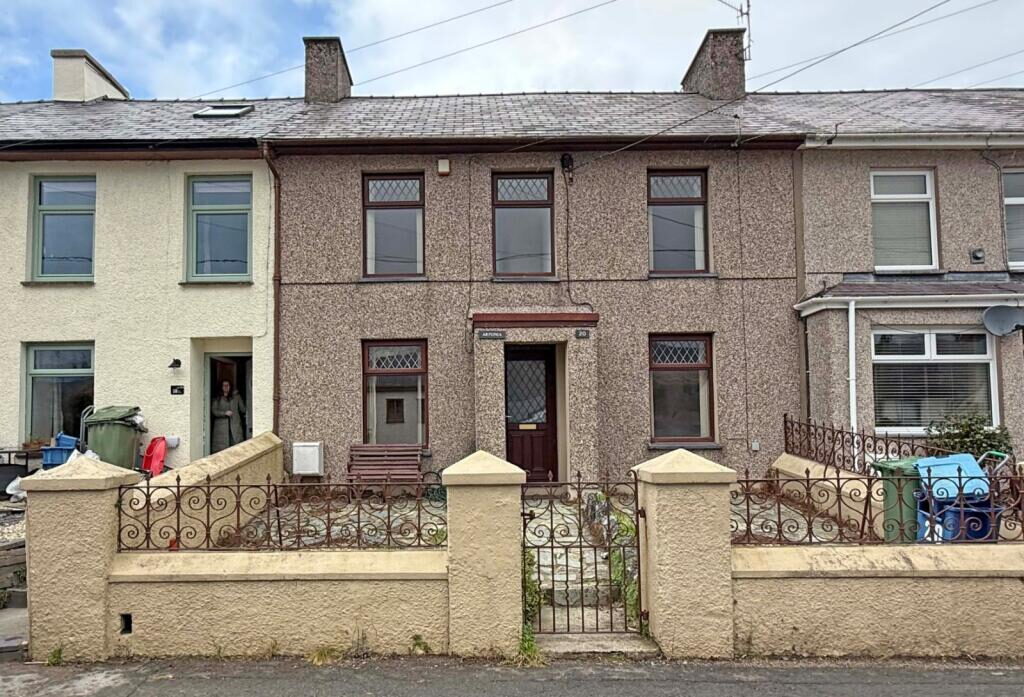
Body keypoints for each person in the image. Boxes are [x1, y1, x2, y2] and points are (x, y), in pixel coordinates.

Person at [211, 380, 247, 453]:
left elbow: (243, 409)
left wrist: (238, 397)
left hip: (234, 425)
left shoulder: (236, 397)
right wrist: (224, 413)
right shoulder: (217, 398)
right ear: (221, 387)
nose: (226, 387)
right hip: (221, 428)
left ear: (230, 387)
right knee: (221, 450)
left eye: (228, 385)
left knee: (236, 447)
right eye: (224, 385)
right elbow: (214, 411)